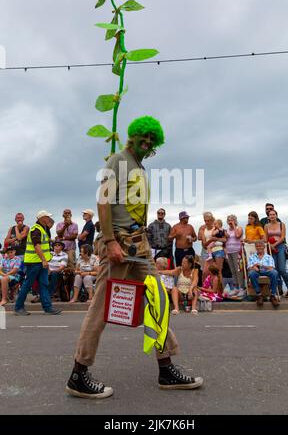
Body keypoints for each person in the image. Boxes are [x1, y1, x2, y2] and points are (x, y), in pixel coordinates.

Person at [66, 115, 203, 399]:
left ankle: (166, 369)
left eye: (153, 138)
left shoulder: (140, 166)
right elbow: (103, 201)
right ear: (133, 135)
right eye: (145, 136)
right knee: (101, 308)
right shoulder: (117, 160)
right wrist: (109, 240)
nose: (148, 141)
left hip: (138, 246)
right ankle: (79, 373)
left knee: (158, 301)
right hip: (117, 244)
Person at [14, 211, 62, 316]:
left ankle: (48, 308)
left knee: (43, 284)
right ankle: (18, 307)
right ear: (42, 218)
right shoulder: (36, 229)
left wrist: (44, 261)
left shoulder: (42, 229)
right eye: (48, 217)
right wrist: (44, 260)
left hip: (39, 262)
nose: (49, 219)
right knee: (28, 285)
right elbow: (37, 246)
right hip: (34, 262)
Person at [264, 209, 288, 298]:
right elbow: (265, 239)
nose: (272, 216)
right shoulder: (266, 226)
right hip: (270, 248)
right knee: (275, 269)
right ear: (268, 217)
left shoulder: (281, 224)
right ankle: (279, 289)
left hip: (280, 246)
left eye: (273, 214)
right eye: (270, 215)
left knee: (281, 269)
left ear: (276, 215)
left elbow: (282, 237)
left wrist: (274, 245)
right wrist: (270, 246)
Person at [247, 241, 280, 308]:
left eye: (261, 246)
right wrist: (254, 266)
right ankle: (259, 295)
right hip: (256, 271)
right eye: (257, 246)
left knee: (275, 273)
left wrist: (262, 266)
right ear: (256, 247)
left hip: (266, 271)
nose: (259, 247)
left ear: (264, 247)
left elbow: (271, 267)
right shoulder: (252, 257)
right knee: (251, 273)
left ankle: (273, 295)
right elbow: (249, 268)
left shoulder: (269, 257)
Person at [225, 215, 245, 296]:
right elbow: (225, 240)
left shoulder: (239, 228)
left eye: (232, 220)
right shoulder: (227, 230)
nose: (230, 221)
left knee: (238, 270)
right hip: (229, 252)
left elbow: (237, 235)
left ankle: (241, 288)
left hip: (237, 251)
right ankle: (236, 288)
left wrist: (234, 225)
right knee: (232, 271)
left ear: (235, 221)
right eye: (229, 220)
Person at [198, 212, 215, 279]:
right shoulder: (202, 227)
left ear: (212, 219)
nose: (206, 222)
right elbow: (199, 238)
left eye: (208, 220)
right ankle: (205, 286)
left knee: (214, 270)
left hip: (214, 250)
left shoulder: (215, 226)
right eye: (205, 220)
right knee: (204, 271)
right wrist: (202, 233)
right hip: (205, 250)